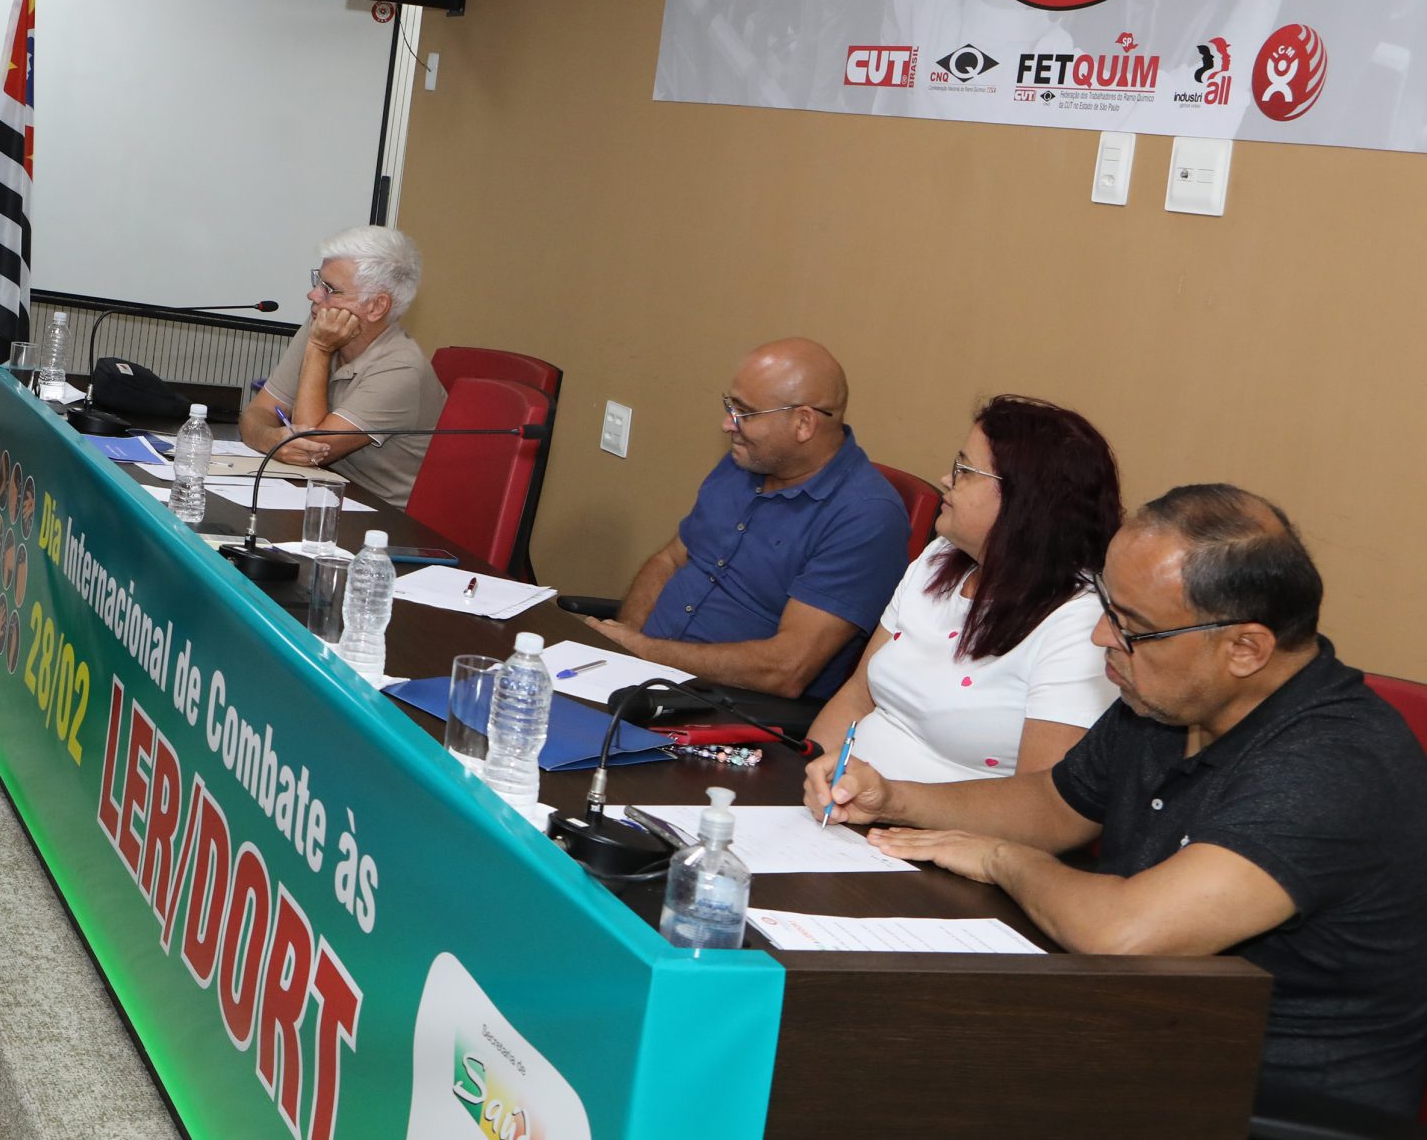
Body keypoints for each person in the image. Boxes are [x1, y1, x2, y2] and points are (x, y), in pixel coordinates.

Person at [823, 487, 1427, 1118]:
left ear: (1244, 648)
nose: (1100, 636)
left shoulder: (1333, 765)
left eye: (1134, 628)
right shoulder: (1173, 698)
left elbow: (1126, 934)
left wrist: (1004, 859)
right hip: (1141, 1025)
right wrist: (894, 797)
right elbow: (1055, 804)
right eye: (1110, 607)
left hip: (1262, 1096)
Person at [798, 396, 1119, 792]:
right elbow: (856, 696)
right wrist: (806, 779)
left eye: (964, 470)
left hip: (938, 839)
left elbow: (1041, 804)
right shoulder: (941, 557)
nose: (946, 479)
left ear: (1025, 500)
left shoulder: (1078, 624)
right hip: (843, 806)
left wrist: (893, 806)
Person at [587, 338, 910, 700]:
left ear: (803, 423)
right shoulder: (748, 460)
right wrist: (625, 640)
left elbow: (786, 668)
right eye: (730, 405)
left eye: (745, 412)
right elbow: (671, 559)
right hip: (639, 677)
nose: (728, 424)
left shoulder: (865, 517)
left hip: (723, 709)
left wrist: (643, 652)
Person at [235, 225, 446, 506]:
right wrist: (274, 439)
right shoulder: (320, 324)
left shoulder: (401, 369)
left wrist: (320, 349)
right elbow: (256, 412)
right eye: (317, 281)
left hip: (378, 519)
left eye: (330, 289)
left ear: (376, 307)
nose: (313, 296)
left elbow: (310, 447)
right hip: (320, 491)